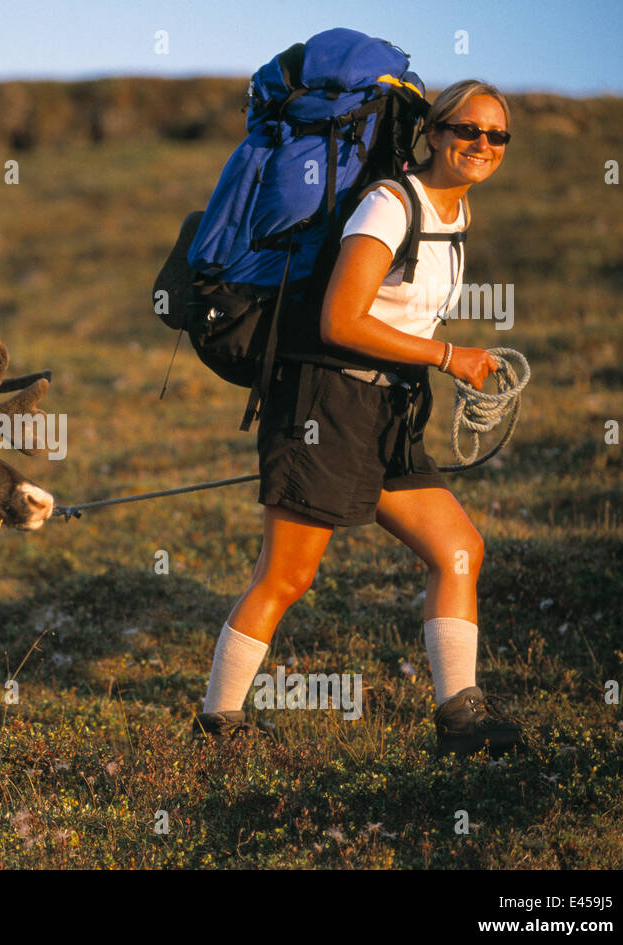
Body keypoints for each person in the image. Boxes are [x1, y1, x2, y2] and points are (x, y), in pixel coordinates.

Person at [195, 80, 522, 757]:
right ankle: (217, 729)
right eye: (466, 130)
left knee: (458, 549)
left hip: (388, 411)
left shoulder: (454, 216)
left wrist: (436, 366)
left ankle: (461, 720)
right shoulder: (389, 204)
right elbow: (339, 320)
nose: (481, 145)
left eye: (496, 136)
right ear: (433, 133)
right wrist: (448, 355)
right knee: (287, 576)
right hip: (326, 402)